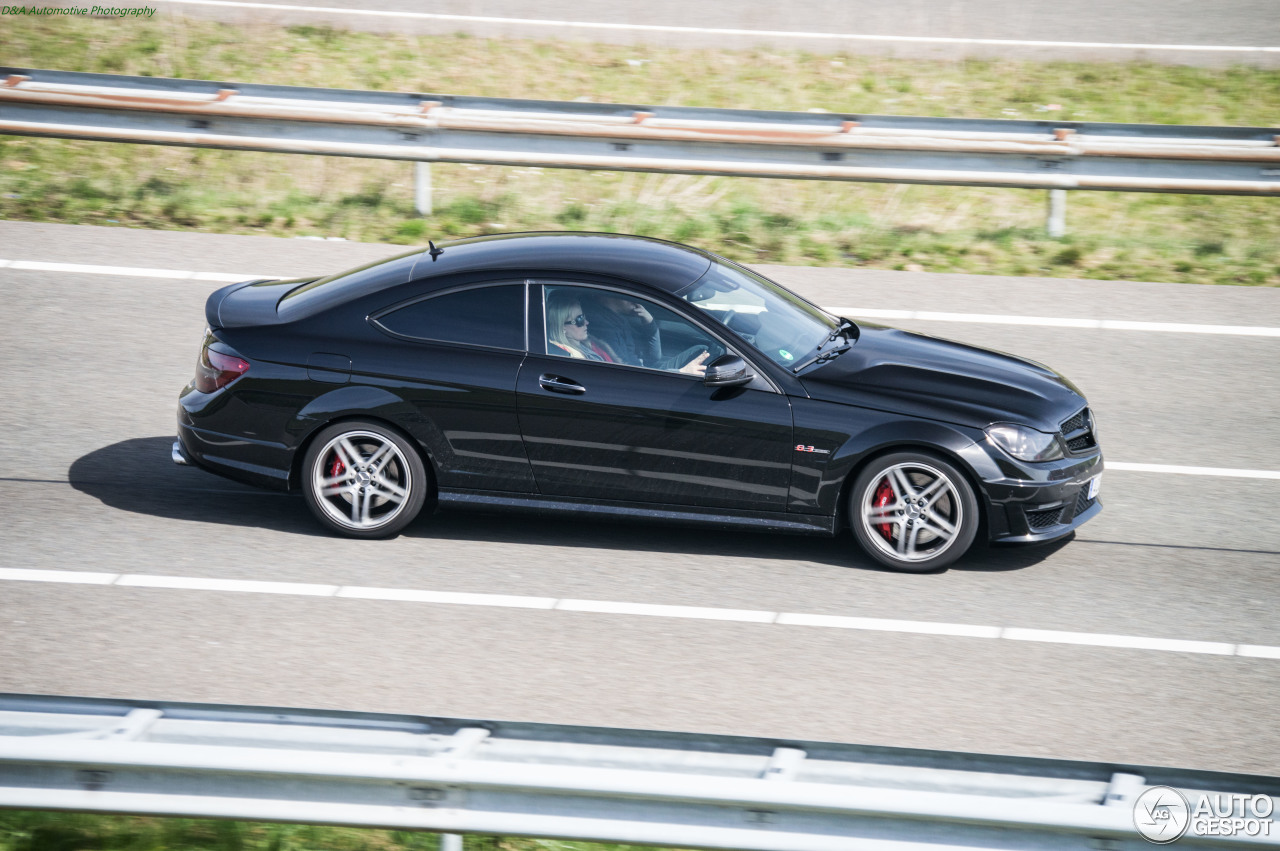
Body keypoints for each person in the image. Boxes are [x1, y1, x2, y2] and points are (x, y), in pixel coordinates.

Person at [582, 292, 710, 376]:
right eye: (627, 294)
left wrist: (649, 323)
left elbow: (653, 357)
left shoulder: (618, 319)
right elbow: (628, 376)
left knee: (703, 350)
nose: (634, 298)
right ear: (609, 295)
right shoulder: (603, 327)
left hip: (646, 370)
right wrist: (681, 372)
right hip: (644, 377)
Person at [545, 291, 620, 362]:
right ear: (562, 327)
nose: (587, 322)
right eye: (579, 319)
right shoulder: (570, 357)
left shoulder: (591, 344)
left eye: (583, 316)